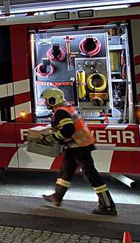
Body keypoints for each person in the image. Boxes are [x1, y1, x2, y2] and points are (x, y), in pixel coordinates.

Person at [40, 87, 117, 215]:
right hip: (76, 146)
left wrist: (52, 137)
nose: (45, 103)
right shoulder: (66, 108)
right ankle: (57, 197)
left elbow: (68, 130)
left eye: (47, 100)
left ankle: (108, 206)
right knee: (66, 171)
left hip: (79, 147)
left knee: (91, 175)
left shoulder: (61, 112)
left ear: (53, 100)